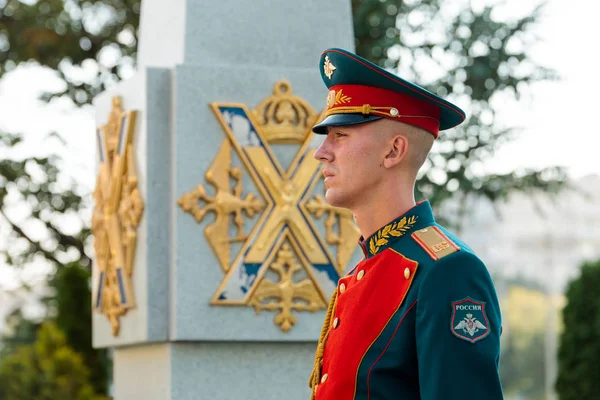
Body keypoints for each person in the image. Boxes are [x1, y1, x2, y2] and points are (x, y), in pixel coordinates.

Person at [307, 48, 503, 400]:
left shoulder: (447, 271)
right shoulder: (362, 273)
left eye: (341, 135)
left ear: (393, 151)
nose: (321, 152)